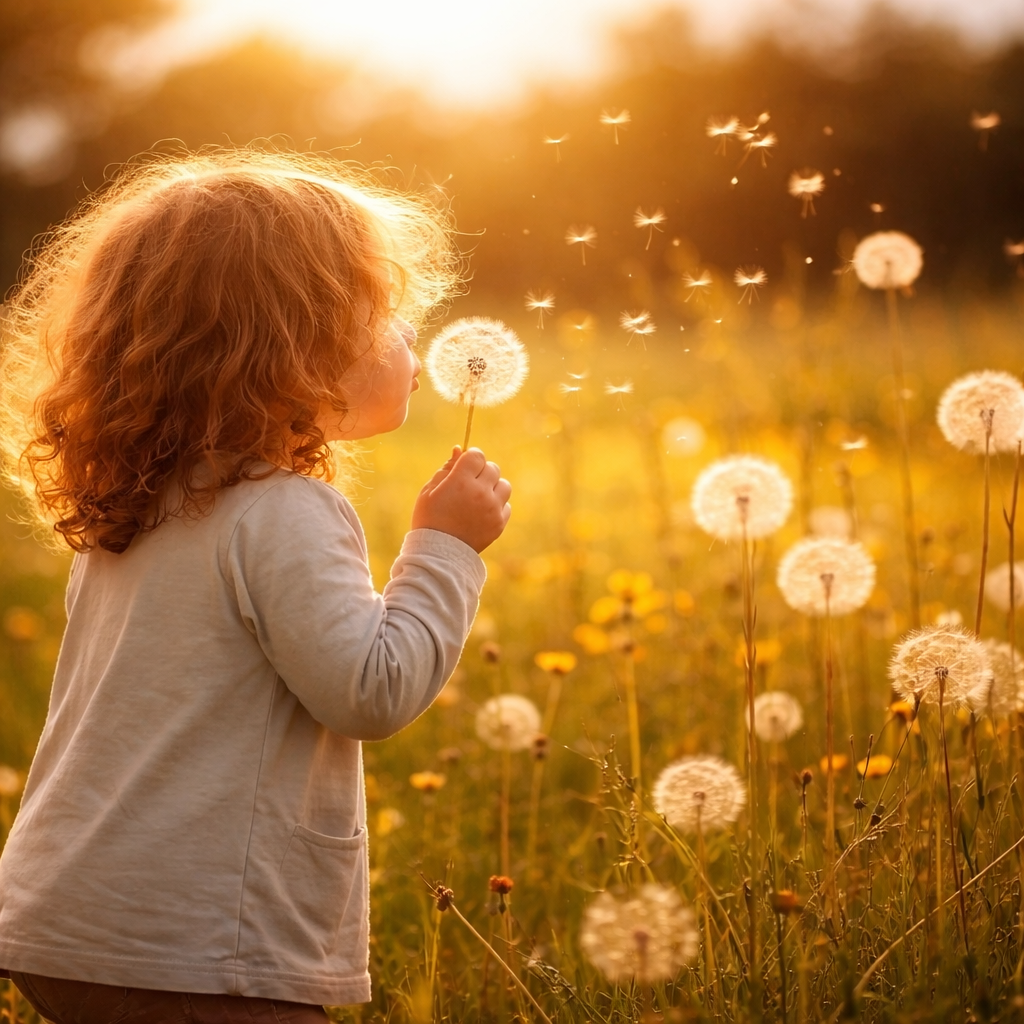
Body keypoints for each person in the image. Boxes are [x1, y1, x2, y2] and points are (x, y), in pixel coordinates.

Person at [0, 149, 511, 1022]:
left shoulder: (139, 502)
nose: (411, 339)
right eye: (386, 314)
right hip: (196, 947)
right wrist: (445, 548)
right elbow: (370, 690)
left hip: (66, 919)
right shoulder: (285, 510)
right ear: (295, 346)